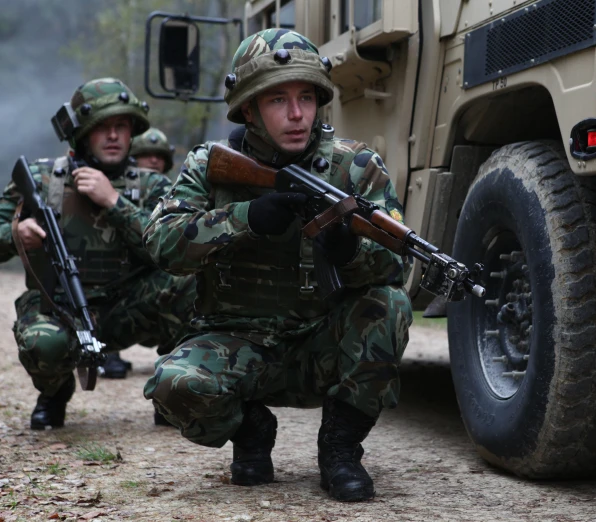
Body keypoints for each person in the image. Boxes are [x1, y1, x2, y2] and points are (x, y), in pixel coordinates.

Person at [142, 29, 413, 502]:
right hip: (237, 343)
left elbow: (394, 264)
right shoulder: (211, 166)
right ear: (248, 109)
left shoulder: (354, 167)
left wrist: (350, 251)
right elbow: (160, 243)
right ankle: (251, 431)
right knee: (173, 386)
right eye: (278, 100)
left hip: (320, 343)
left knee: (389, 305)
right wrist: (245, 218)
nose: (296, 114)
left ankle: (340, 450)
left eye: (306, 97)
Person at [0, 78, 196, 429]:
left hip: (127, 308)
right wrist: (15, 234)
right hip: (60, 307)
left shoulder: (151, 185)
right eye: (102, 127)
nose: (113, 135)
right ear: (81, 133)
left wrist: (114, 202)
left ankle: (170, 390)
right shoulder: (41, 179)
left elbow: (174, 248)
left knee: (191, 282)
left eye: (121, 126)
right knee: (42, 343)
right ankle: (54, 391)